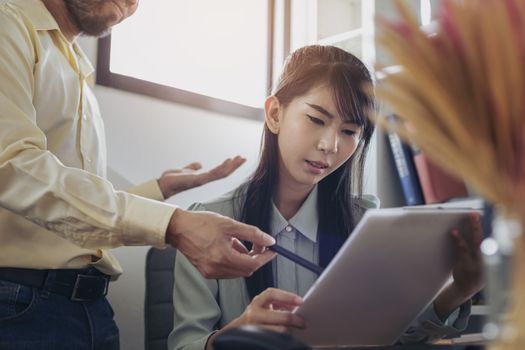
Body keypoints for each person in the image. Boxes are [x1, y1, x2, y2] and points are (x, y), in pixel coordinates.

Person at [168, 45, 484, 350]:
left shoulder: (366, 224)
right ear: (275, 114)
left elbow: (392, 336)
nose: (330, 145)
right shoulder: (207, 227)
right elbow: (185, 345)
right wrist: (233, 337)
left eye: (349, 132)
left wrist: (458, 291)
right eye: (317, 120)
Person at [0, 0, 276, 349]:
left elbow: (76, 210)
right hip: (19, 303)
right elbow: (11, 168)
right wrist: (173, 225)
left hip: (89, 308)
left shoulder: (75, 66)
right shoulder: (8, 23)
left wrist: (160, 189)